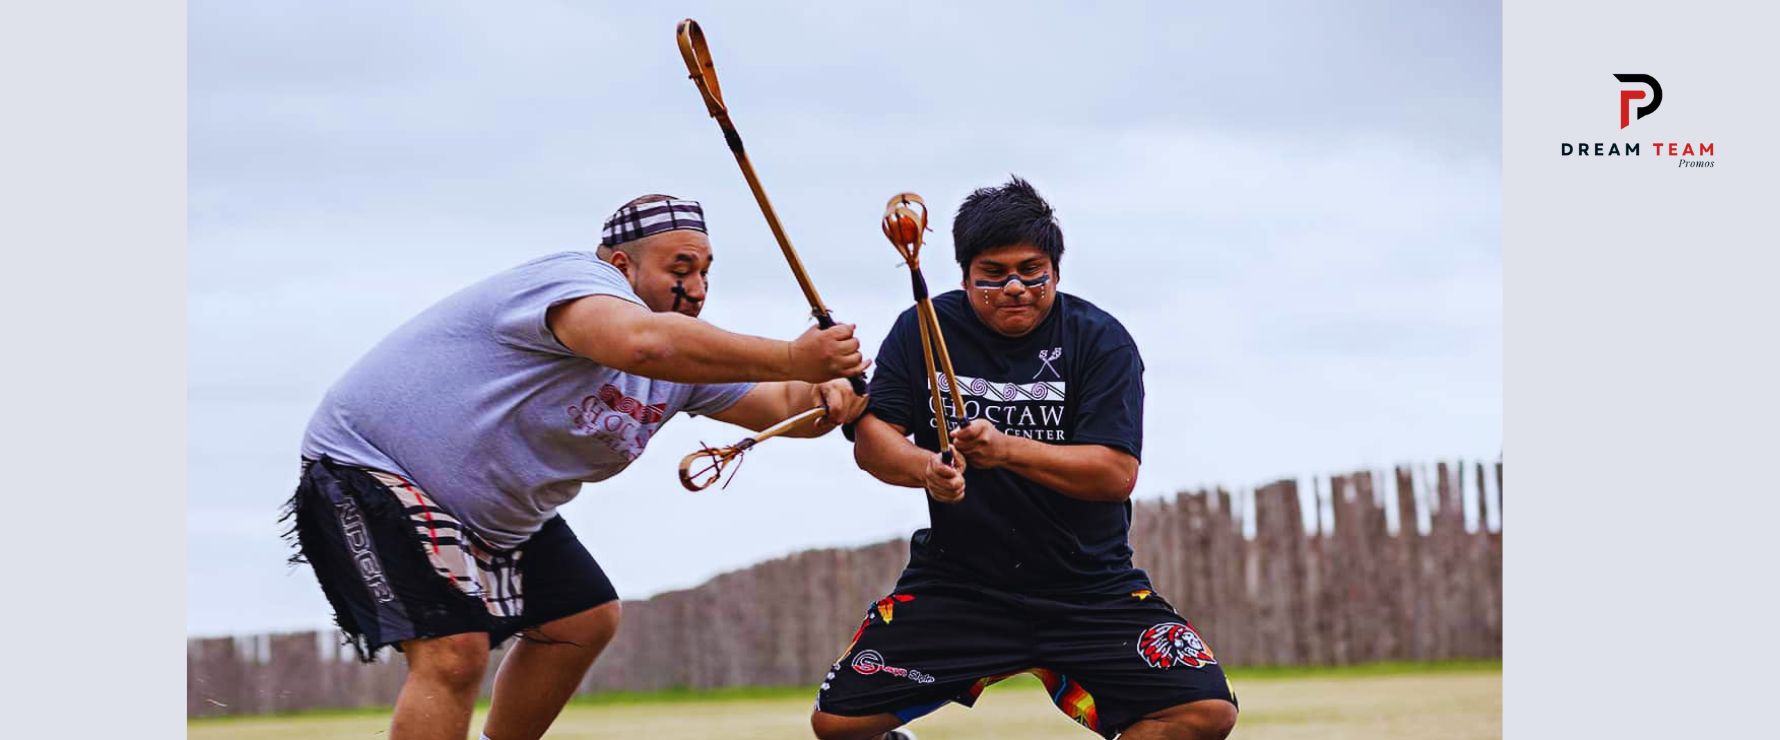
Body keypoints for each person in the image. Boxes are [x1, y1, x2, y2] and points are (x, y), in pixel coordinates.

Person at [285, 194, 869, 740]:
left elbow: (787, 408)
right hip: (370, 469)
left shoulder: (683, 360)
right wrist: (793, 357)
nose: (695, 288)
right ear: (621, 264)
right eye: (680, 268)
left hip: (493, 516)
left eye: (705, 272)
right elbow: (640, 344)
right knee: (454, 650)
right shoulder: (574, 282)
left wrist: (832, 392)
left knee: (582, 619)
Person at [809, 178, 1238, 740]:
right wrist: (926, 470)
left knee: (1205, 711)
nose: (1015, 286)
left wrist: (1005, 449)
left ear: (1055, 271)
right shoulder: (921, 328)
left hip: (1090, 587)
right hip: (961, 582)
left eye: (1031, 270)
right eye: (993, 274)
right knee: (839, 725)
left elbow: (1115, 474)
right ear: (965, 275)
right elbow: (872, 439)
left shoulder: (1100, 340)